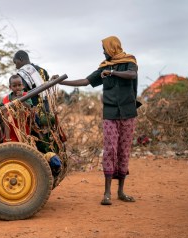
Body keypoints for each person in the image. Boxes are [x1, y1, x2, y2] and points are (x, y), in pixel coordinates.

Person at [58, 36, 138, 205]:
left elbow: (132, 75)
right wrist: (61, 82)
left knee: (124, 150)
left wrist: (113, 73)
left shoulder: (129, 61)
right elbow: (85, 81)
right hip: (110, 113)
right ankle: (107, 193)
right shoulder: (103, 68)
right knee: (110, 149)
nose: (103, 52)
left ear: (112, 47)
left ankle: (121, 191)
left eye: (104, 48)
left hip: (128, 112)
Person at [2, 74, 33, 142]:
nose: (17, 87)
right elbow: (4, 110)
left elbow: (29, 107)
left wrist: (21, 99)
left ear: (23, 86)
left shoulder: (25, 95)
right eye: (14, 86)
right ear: (10, 87)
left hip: (23, 126)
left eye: (19, 85)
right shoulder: (6, 99)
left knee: (24, 143)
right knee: (13, 146)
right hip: (11, 128)